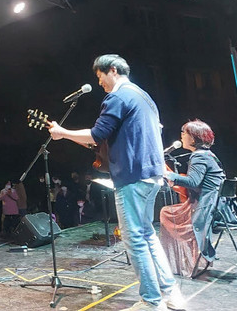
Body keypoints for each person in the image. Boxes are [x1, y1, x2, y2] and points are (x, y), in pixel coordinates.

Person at [49, 54, 185, 311]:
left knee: (134, 239)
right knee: (147, 235)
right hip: (152, 174)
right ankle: (171, 294)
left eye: (100, 77)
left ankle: (151, 302)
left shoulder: (118, 97)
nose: (99, 83)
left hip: (132, 176)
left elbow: (97, 135)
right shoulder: (144, 96)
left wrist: (62, 133)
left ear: (112, 70)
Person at [159, 120, 225, 277]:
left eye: (185, 132)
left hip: (205, 208)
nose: (182, 135)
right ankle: (188, 261)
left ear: (194, 137)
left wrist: (168, 175)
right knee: (168, 212)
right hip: (214, 204)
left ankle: (185, 262)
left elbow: (193, 182)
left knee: (166, 213)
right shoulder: (209, 155)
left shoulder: (199, 157)